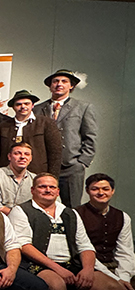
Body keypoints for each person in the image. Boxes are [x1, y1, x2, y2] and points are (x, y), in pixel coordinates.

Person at [8, 174, 125, 290]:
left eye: (52, 187)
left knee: (114, 289)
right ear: (33, 190)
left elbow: (85, 245)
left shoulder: (70, 213)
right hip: (35, 265)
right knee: (57, 285)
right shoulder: (21, 211)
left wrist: (88, 269)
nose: (47, 190)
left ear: (58, 191)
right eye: (42, 186)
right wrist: (56, 268)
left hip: (71, 264)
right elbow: (24, 245)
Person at [75, 173, 135, 290]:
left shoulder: (123, 217)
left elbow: (126, 251)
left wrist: (124, 277)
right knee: (112, 287)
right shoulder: (76, 214)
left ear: (112, 191)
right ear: (87, 191)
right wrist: (115, 280)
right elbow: (81, 249)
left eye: (105, 189)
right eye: (95, 189)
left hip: (112, 263)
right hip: (88, 265)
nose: (101, 193)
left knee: (125, 284)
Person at [34, 70, 96, 208]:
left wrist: (81, 162)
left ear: (71, 86)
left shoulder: (83, 108)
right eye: (55, 81)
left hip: (71, 166)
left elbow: (90, 137)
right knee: (40, 205)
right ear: (50, 85)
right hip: (44, 166)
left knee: (72, 207)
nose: (59, 84)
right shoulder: (37, 109)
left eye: (64, 81)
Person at [0, 90, 61, 177]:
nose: (23, 107)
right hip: (7, 174)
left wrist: (52, 177)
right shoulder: (4, 125)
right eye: (18, 104)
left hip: (37, 174)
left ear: (32, 105)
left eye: (26, 104)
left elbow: (55, 152)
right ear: (13, 107)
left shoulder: (45, 123)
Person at [0, 142, 36, 215]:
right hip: (2, 218)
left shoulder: (35, 179)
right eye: (17, 153)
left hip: (30, 220)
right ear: (9, 156)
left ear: (31, 158)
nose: (22, 157)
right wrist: (18, 216)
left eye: (26, 154)